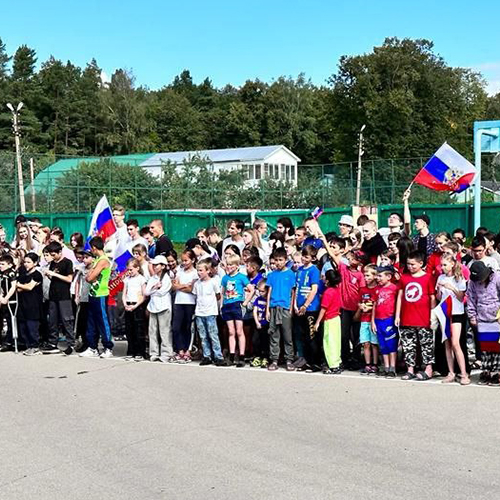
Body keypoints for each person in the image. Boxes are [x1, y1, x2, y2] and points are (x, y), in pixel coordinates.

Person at [396, 251, 436, 380]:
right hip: (406, 317)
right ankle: (410, 369)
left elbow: (432, 297)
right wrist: (397, 315)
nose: (410, 267)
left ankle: (428, 369)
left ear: (421, 263)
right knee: (408, 345)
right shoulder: (404, 277)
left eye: (413, 264)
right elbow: (400, 296)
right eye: (408, 264)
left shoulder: (428, 277)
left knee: (426, 344)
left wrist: (433, 315)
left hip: (423, 318)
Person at [435, 254, 470, 385]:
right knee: (447, 343)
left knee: (455, 343)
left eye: (445, 265)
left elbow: (461, 297)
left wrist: (452, 288)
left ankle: (464, 373)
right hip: (445, 313)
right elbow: (439, 298)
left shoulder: (459, 278)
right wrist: (439, 290)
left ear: (452, 264)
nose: (442, 267)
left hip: (456, 313)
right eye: (441, 265)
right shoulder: (440, 277)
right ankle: (451, 372)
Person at [466, 261, 500, 385]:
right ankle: (486, 370)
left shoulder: (497, 278)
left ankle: (496, 372)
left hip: (496, 318)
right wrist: (472, 316)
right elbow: (471, 299)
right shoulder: (472, 282)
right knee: (485, 347)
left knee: (496, 347)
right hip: (482, 318)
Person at [79, 236, 113, 359]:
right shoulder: (97, 260)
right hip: (93, 294)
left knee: (102, 321)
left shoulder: (103, 260)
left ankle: (108, 347)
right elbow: (88, 276)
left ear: (94, 248)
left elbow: (90, 277)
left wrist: (91, 274)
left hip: (101, 294)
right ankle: (92, 347)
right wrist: (91, 274)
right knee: (91, 322)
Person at [266, 247, 296, 371]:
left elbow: (293, 292)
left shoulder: (291, 274)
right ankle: (274, 359)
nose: (278, 263)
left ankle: (289, 359)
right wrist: (267, 310)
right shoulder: (271, 275)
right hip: (274, 307)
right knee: (274, 335)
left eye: (281, 260)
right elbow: (269, 292)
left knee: (287, 336)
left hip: (285, 308)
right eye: (276, 260)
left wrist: (291, 309)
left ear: (286, 260)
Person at [42, 242, 75, 355]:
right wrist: (49, 275)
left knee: (67, 320)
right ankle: (52, 342)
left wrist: (54, 274)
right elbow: (54, 278)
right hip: (53, 295)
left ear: (60, 252)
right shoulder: (52, 263)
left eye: (54, 254)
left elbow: (69, 279)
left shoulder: (67, 262)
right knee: (52, 321)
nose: (53, 257)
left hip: (64, 296)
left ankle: (71, 343)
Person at [220, 254, 251, 366]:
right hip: (227, 305)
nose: (229, 267)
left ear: (237, 266)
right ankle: (231, 356)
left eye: (231, 265)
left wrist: (245, 302)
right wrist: (221, 305)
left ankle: (241, 356)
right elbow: (223, 292)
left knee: (239, 331)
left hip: (237, 305)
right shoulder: (225, 278)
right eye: (228, 265)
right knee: (231, 331)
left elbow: (251, 289)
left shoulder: (241, 277)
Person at [294, 245, 322, 371]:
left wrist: (305, 305)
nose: (303, 259)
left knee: (311, 336)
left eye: (306, 257)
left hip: (310, 308)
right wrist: (295, 305)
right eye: (303, 256)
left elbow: (314, 289)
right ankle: (305, 360)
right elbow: (297, 288)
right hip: (299, 307)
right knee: (302, 335)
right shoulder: (299, 270)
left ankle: (315, 362)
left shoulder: (314, 270)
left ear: (313, 258)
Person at [193, 260, 224, 366]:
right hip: (199, 312)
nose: (199, 273)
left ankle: (218, 356)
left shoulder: (213, 282)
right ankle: (207, 355)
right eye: (198, 270)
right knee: (203, 335)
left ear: (208, 271)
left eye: (201, 270)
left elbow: (218, 295)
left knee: (213, 334)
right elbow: (196, 296)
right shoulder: (197, 284)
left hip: (210, 312)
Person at [144, 255, 173, 363]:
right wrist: (154, 288)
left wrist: (154, 291)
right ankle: (154, 353)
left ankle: (166, 353)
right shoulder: (152, 279)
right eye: (154, 265)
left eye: (157, 265)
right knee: (152, 331)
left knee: (164, 331)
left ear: (163, 266)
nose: (155, 267)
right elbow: (146, 292)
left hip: (164, 307)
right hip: (153, 307)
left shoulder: (167, 278)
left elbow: (162, 292)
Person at [314, 269, 342, 374]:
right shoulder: (337, 290)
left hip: (329, 319)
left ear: (327, 280)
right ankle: (337, 362)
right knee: (336, 342)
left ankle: (332, 365)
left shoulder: (328, 292)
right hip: (336, 318)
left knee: (329, 343)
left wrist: (317, 322)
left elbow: (323, 309)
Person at [372, 266, 398, 377]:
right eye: (377, 276)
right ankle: (386, 367)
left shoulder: (394, 288)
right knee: (382, 345)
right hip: (378, 320)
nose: (377, 278)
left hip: (389, 319)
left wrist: (397, 318)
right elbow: (374, 305)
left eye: (380, 276)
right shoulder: (377, 289)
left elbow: (398, 303)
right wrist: (372, 321)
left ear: (388, 276)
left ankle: (393, 368)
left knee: (391, 344)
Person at [171, 249, 198, 362]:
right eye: (182, 260)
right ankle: (180, 350)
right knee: (176, 327)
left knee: (187, 327)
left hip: (190, 302)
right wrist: (184, 285)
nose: (184, 263)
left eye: (186, 260)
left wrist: (180, 286)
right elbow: (174, 286)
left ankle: (188, 350)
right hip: (179, 302)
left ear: (193, 260)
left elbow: (191, 289)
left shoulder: (195, 273)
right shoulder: (179, 271)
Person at [16, 252, 44, 355]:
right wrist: (20, 286)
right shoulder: (23, 274)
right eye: (25, 262)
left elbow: (29, 287)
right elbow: (19, 289)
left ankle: (35, 346)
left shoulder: (37, 275)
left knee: (32, 326)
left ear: (35, 263)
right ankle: (28, 346)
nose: (26, 264)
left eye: (29, 262)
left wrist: (18, 285)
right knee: (23, 327)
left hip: (33, 305)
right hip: (23, 303)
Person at [356, 264, 379, 374]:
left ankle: (375, 364)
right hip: (364, 319)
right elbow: (359, 301)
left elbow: (378, 304)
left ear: (375, 276)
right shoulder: (362, 289)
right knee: (365, 343)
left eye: (368, 275)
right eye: (364, 275)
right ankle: (367, 364)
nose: (365, 278)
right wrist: (360, 306)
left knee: (374, 343)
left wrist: (369, 308)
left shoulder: (377, 289)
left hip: (373, 319)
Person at [123, 258, 147, 361]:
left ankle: (139, 352)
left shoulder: (141, 279)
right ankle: (131, 350)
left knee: (138, 329)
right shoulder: (127, 279)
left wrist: (135, 305)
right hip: (128, 304)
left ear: (137, 268)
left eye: (131, 269)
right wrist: (125, 304)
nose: (129, 272)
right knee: (129, 330)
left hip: (137, 306)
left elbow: (143, 295)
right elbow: (124, 293)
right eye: (128, 270)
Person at [73, 249, 93, 353]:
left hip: (92, 297)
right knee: (82, 322)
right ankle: (83, 342)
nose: (84, 260)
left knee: (90, 322)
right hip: (83, 298)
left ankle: (91, 343)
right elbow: (78, 282)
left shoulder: (95, 268)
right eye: (83, 257)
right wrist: (77, 295)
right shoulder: (81, 269)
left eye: (87, 257)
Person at [0, 254, 18, 351]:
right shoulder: (1, 273)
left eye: (3, 264)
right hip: (3, 299)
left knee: (11, 321)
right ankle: (5, 341)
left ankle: (10, 342)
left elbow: (13, 286)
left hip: (11, 300)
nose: (0, 266)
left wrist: (6, 298)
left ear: (10, 264)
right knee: (5, 320)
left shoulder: (11, 273)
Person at [251, 279, 270, 369]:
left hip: (266, 324)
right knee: (255, 341)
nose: (261, 293)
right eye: (259, 291)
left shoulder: (269, 301)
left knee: (265, 341)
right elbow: (255, 311)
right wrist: (257, 322)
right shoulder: (258, 299)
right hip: (258, 324)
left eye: (263, 291)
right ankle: (257, 356)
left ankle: (265, 357)